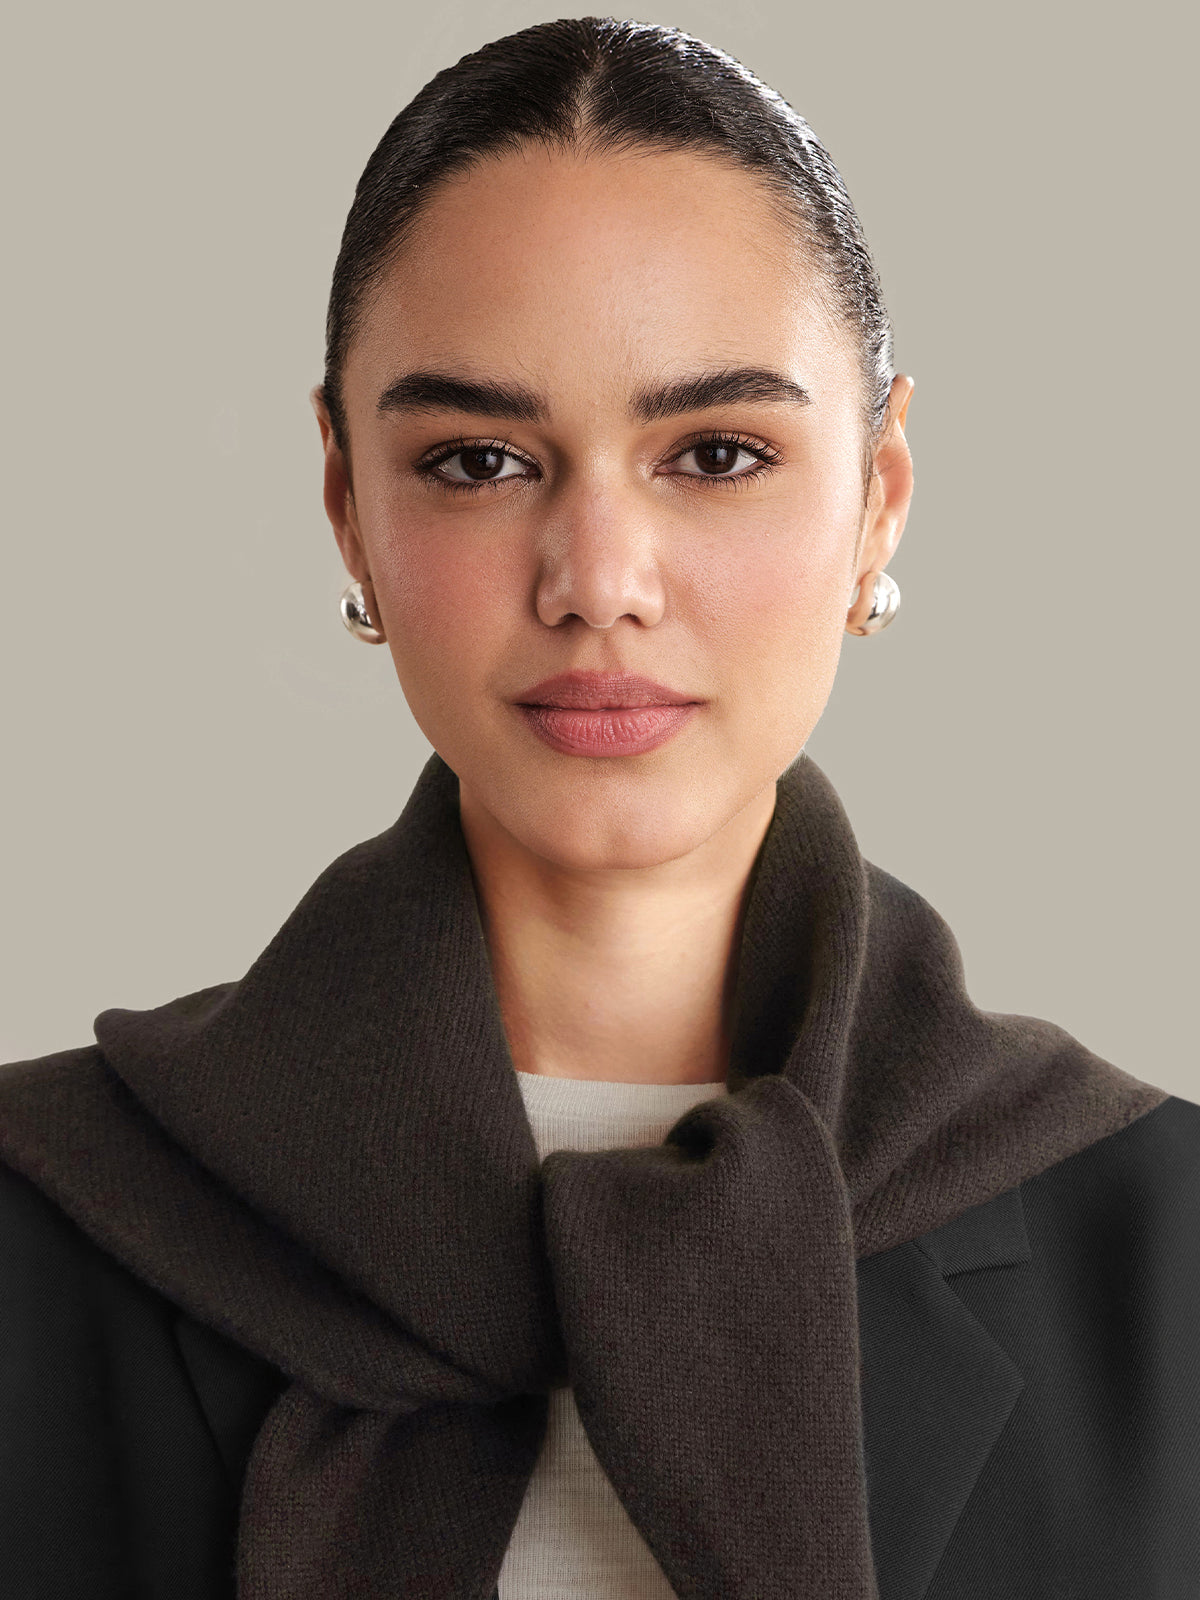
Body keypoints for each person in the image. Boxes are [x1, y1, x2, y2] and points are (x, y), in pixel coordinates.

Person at [2, 15, 1197, 1600]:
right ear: (349, 504)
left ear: (878, 501)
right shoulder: (43, 1217)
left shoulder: (1166, 1251)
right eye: (482, 460)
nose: (598, 585)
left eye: (715, 451)